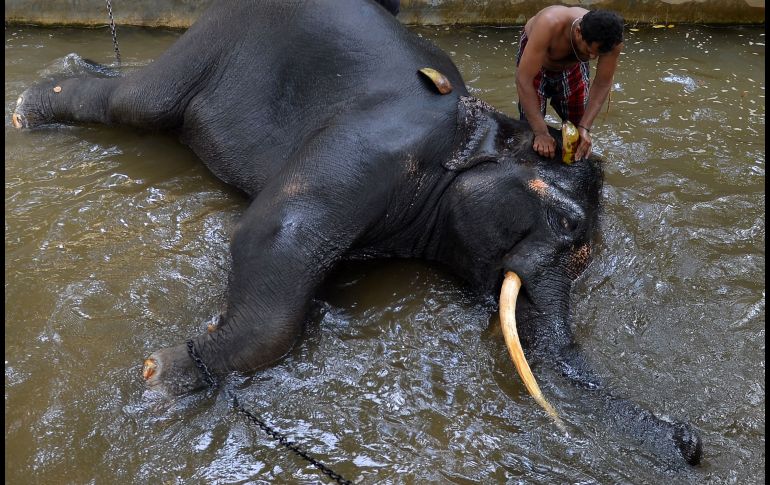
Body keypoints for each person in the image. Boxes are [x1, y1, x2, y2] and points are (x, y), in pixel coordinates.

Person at [515, 7, 624, 161]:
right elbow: (523, 80)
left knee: (576, 131)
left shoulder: (613, 42)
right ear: (578, 32)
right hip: (536, 65)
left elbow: (602, 83)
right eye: (589, 50)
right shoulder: (549, 24)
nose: (593, 57)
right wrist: (541, 133)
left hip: (573, 65)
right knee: (530, 128)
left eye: (598, 54)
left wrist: (584, 127)